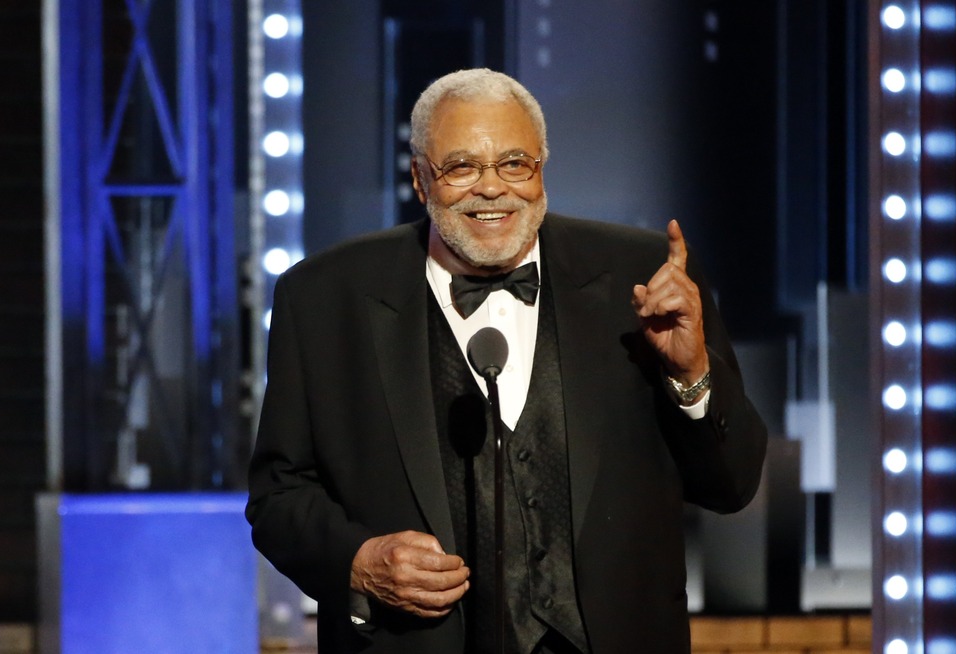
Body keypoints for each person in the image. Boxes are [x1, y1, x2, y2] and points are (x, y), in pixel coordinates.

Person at [246, 68, 767, 653]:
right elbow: (279, 497)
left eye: (515, 163)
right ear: (421, 180)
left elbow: (733, 485)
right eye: (461, 167)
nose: (491, 188)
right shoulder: (323, 296)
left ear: (542, 168)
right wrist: (361, 562)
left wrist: (691, 374)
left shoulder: (644, 276)